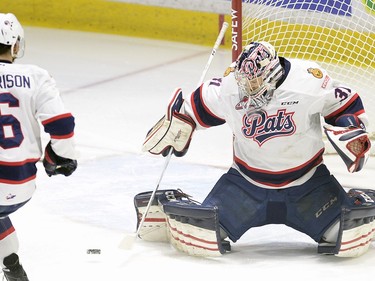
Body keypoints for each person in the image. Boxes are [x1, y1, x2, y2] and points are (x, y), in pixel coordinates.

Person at [137, 41, 374, 258]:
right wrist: (180, 122)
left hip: (308, 185)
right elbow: (195, 107)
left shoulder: (307, 82)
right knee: (204, 235)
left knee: (346, 236)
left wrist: (350, 127)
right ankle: (174, 205)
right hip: (245, 186)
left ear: (272, 73)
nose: (248, 88)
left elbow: (345, 102)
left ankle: (356, 200)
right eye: (245, 81)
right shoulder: (230, 87)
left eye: (255, 82)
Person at [0, 13, 77, 280]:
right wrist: (60, 156)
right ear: (16, 46)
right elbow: (62, 126)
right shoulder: (35, 76)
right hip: (21, 186)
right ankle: (12, 265)